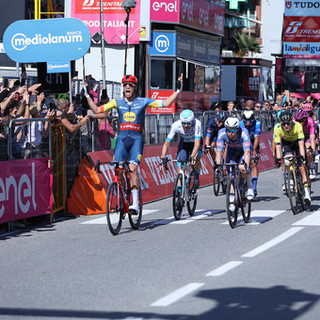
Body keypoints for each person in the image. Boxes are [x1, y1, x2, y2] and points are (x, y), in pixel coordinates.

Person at [83, 73, 183, 212]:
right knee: (118, 168)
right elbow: (96, 110)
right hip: (122, 139)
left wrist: (178, 90)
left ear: (135, 88)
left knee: (133, 168)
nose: (127, 87)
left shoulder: (143, 101)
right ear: (123, 88)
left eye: (130, 85)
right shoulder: (116, 102)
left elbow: (166, 103)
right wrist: (88, 95)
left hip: (136, 140)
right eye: (125, 85)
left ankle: (135, 203)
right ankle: (124, 193)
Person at [215, 117, 254, 209]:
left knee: (242, 168)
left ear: (237, 129)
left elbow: (247, 152)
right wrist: (217, 166)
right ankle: (232, 198)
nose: (231, 133)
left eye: (233, 130)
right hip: (231, 152)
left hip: (243, 152)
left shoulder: (244, 132)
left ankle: (249, 186)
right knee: (231, 174)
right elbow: (219, 152)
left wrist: (246, 166)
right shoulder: (222, 133)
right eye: (228, 130)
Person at [274, 110, 311, 205]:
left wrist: (302, 157)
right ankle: (290, 179)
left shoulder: (297, 126)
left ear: (291, 122)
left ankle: (307, 194)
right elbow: (278, 145)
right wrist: (278, 159)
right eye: (284, 124)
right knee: (286, 161)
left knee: (302, 167)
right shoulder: (277, 128)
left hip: (298, 143)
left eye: (288, 123)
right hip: (287, 143)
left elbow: (301, 144)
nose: (286, 126)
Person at [160, 109, 202, 191]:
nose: (185, 126)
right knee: (180, 163)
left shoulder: (197, 124)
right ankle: (179, 188)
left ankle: (196, 175)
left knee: (196, 159)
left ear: (192, 121)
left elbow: (197, 144)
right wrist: (163, 157)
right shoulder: (176, 125)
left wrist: (192, 156)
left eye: (188, 124)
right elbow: (166, 143)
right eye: (184, 123)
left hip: (195, 143)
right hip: (184, 144)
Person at [240, 110, 261, 196]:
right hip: (242, 142)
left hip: (253, 141)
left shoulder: (257, 123)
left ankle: (254, 187)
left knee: (253, 163)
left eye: (250, 122)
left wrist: (255, 150)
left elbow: (257, 138)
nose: (248, 124)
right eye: (246, 122)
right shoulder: (240, 124)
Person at [294, 108, 316, 180]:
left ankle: (312, 166)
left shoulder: (310, 121)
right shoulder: (293, 122)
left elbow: (312, 137)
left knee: (308, 150)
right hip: (298, 137)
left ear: (305, 119)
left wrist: (312, 150)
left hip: (307, 136)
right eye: (298, 120)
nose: (300, 123)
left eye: (301, 120)